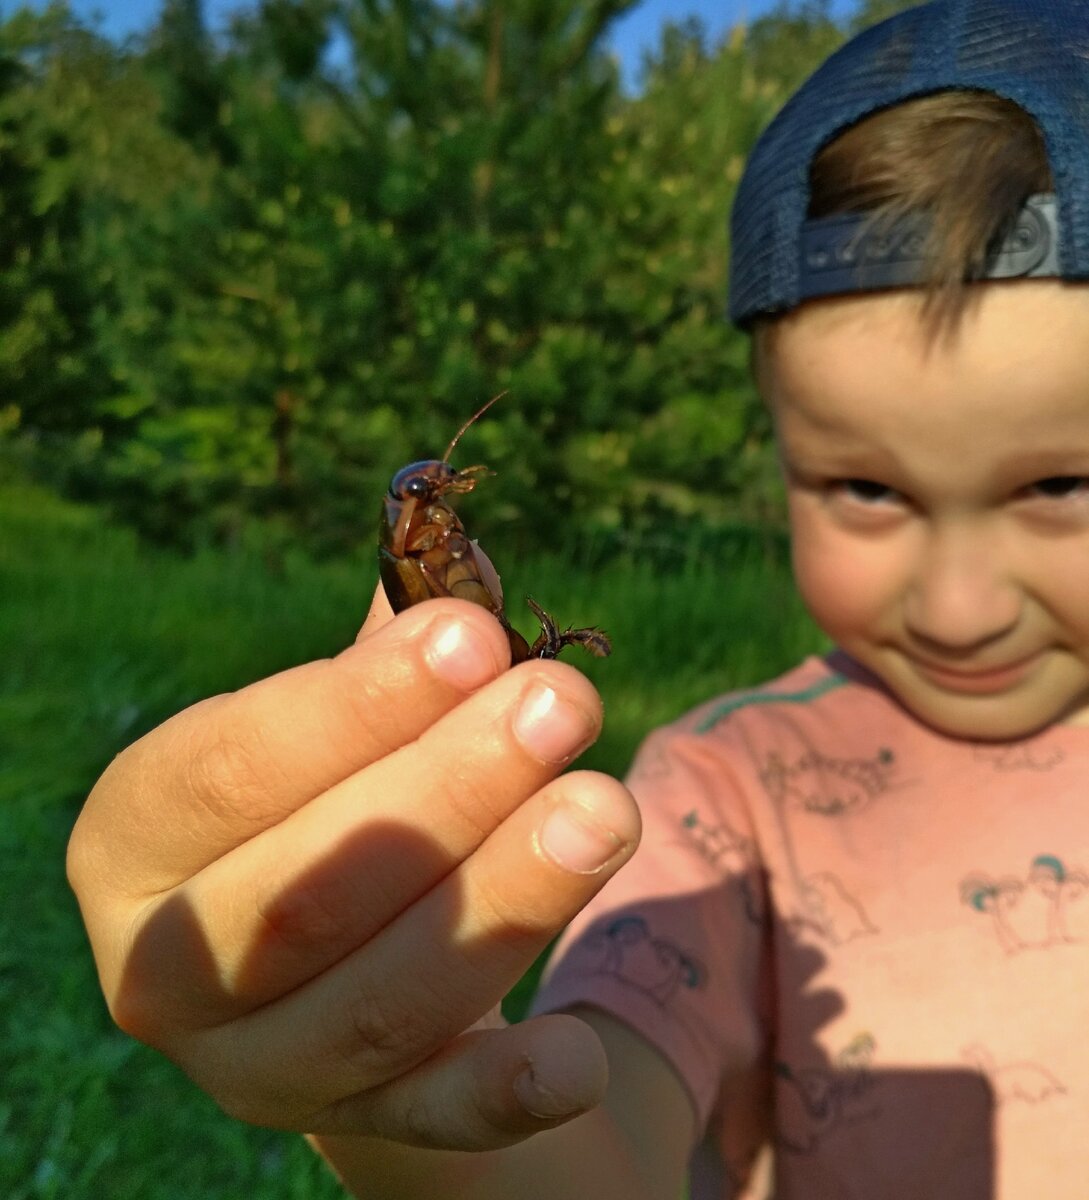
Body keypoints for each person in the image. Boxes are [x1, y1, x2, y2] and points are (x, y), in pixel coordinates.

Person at [66, 1, 1089, 1196]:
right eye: (862, 486)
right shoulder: (729, 801)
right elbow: (586, 1146)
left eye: (1061, 482)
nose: (960, 604)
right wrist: (392, 1057)